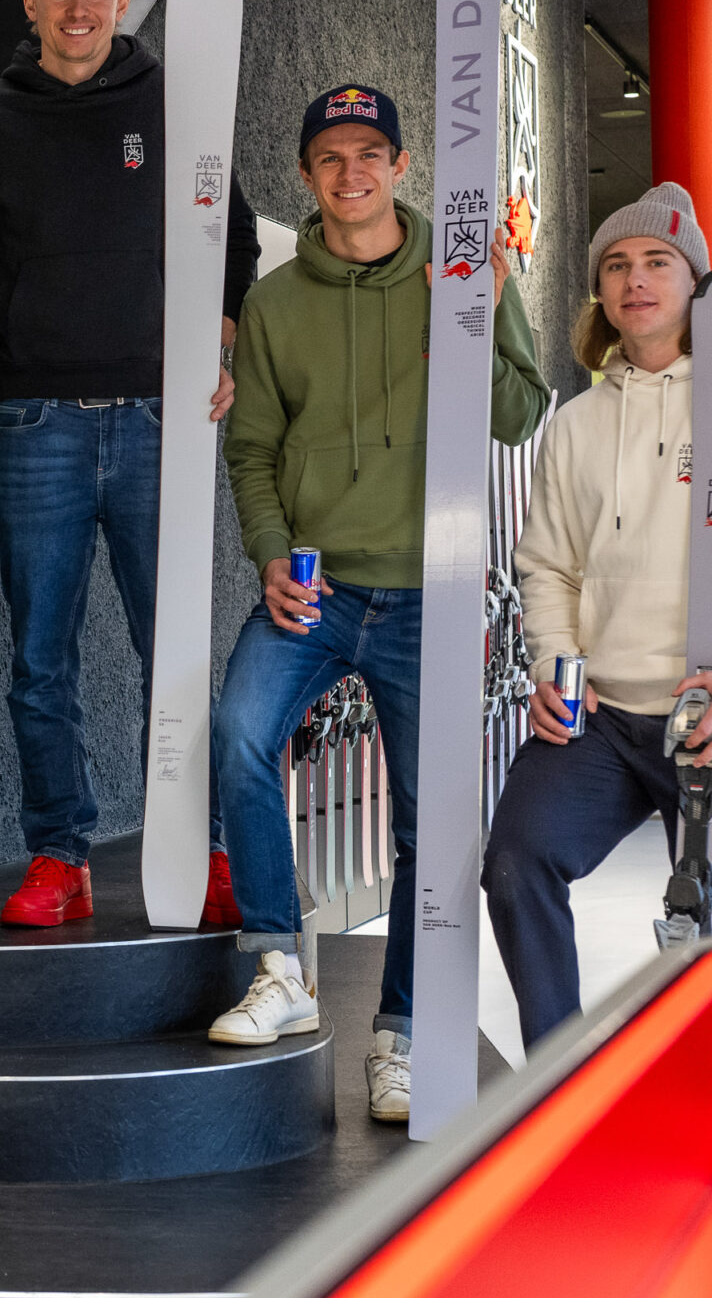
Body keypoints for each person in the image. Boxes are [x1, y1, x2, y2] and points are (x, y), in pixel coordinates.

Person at [203, 82, 547, 1124]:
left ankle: (398, 1034)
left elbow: (518, 412)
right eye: (328, 158)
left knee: (424, 821)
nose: (350, 173)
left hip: (427, 589)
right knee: (238, 732)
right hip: (316, 581)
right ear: (307, 175)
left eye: (369, 154)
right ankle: (281, 968)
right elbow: (252, 447)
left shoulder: (458, 273)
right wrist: (268, 552)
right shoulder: (274, 302)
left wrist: (489, 309)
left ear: (402, 166)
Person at [484, 184, 712, 1047]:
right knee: (516, 862)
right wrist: (554, 666)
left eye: (658, 262)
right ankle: (560, 1073)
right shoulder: (577, 426)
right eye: (615, 265)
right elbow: (546, 565)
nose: (635, 280)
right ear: (600, 295)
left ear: (696, 283)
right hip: (605, 716)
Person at [0, 0, 261, 928]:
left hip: (154, 421)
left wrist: (219, 340)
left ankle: (200, 848)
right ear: (31, 4)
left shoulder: (173, 101)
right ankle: (59, 854)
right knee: (40, 656)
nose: (79, 7)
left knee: (172, 648)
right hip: (35, 420)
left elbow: (237, 233)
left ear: (123, 2)